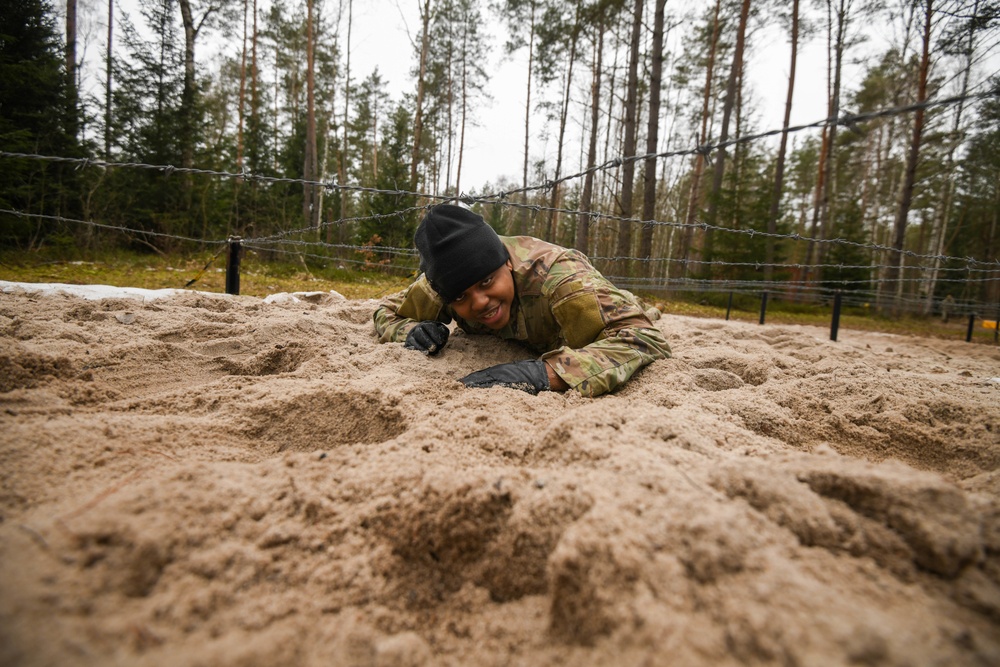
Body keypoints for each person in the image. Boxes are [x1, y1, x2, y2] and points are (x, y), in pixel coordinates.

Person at [372, 203, 670, 397]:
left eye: (487, 281)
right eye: (461, 296)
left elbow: (644, 339)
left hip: (600, 299)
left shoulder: (561, 276)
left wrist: (545, 374)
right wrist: (411, 332)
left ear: (508, 264)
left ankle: (652, 306)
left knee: (641, 310)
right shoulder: (440, 285)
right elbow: (387, 312)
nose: (479, 303)